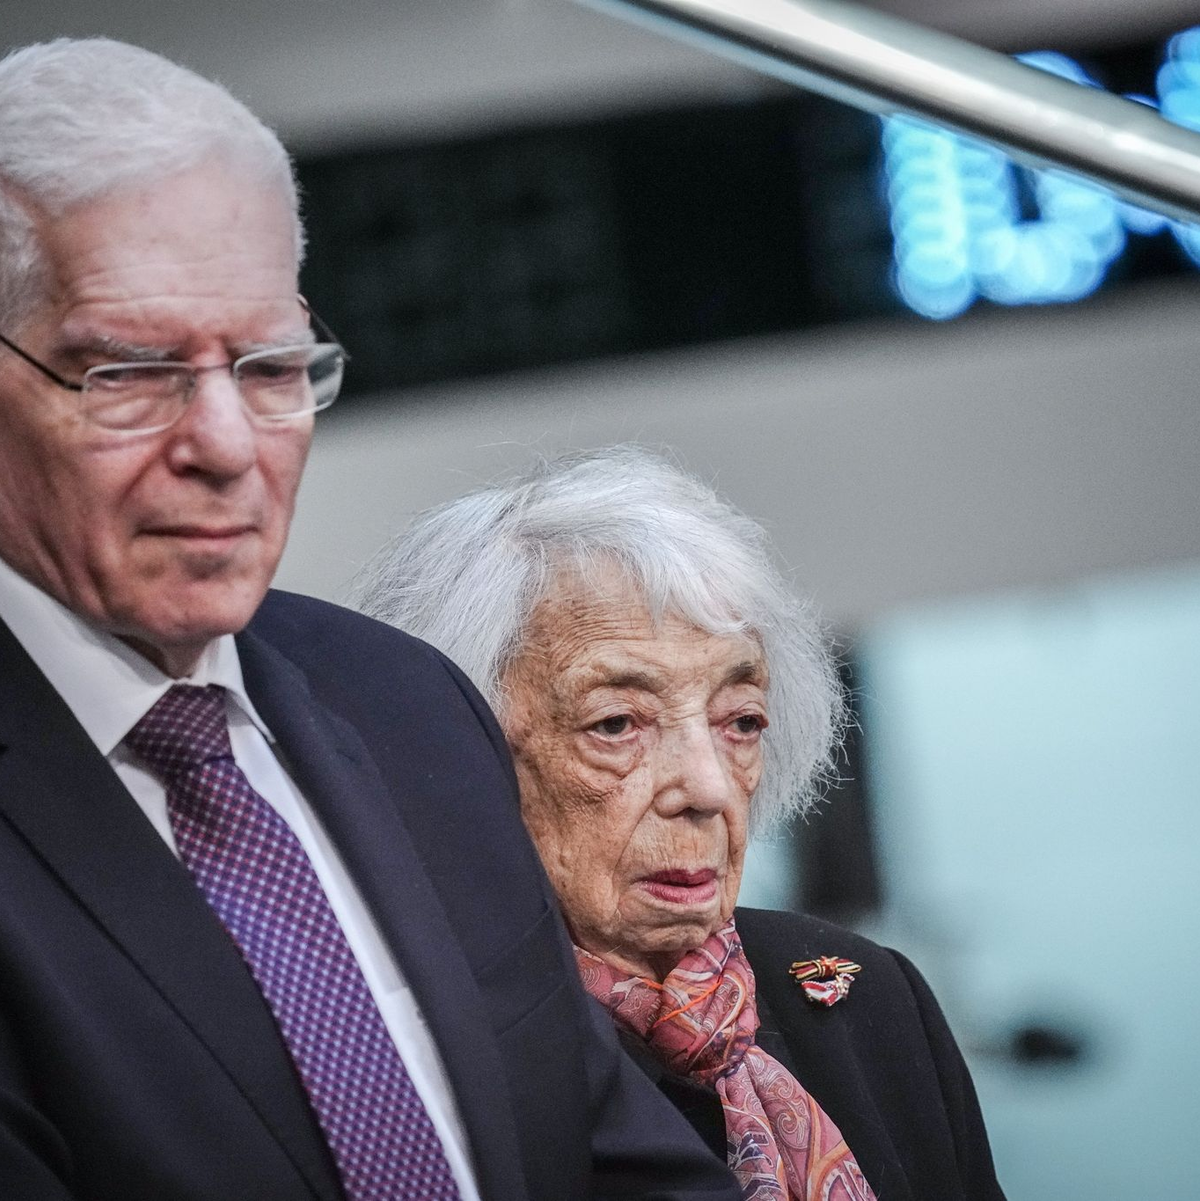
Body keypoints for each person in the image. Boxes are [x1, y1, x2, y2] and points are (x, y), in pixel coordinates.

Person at [0, 39, 744, 1201]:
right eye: (131, 372)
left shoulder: (407, 705)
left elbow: (608, 1162)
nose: (226, 446)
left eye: (269, 367)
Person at [354, 447, 1008, 1201]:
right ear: (457, 754)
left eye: (741, 720)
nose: (705, 786)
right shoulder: (411, 1061)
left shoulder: (870, 998)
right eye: (617, 723)